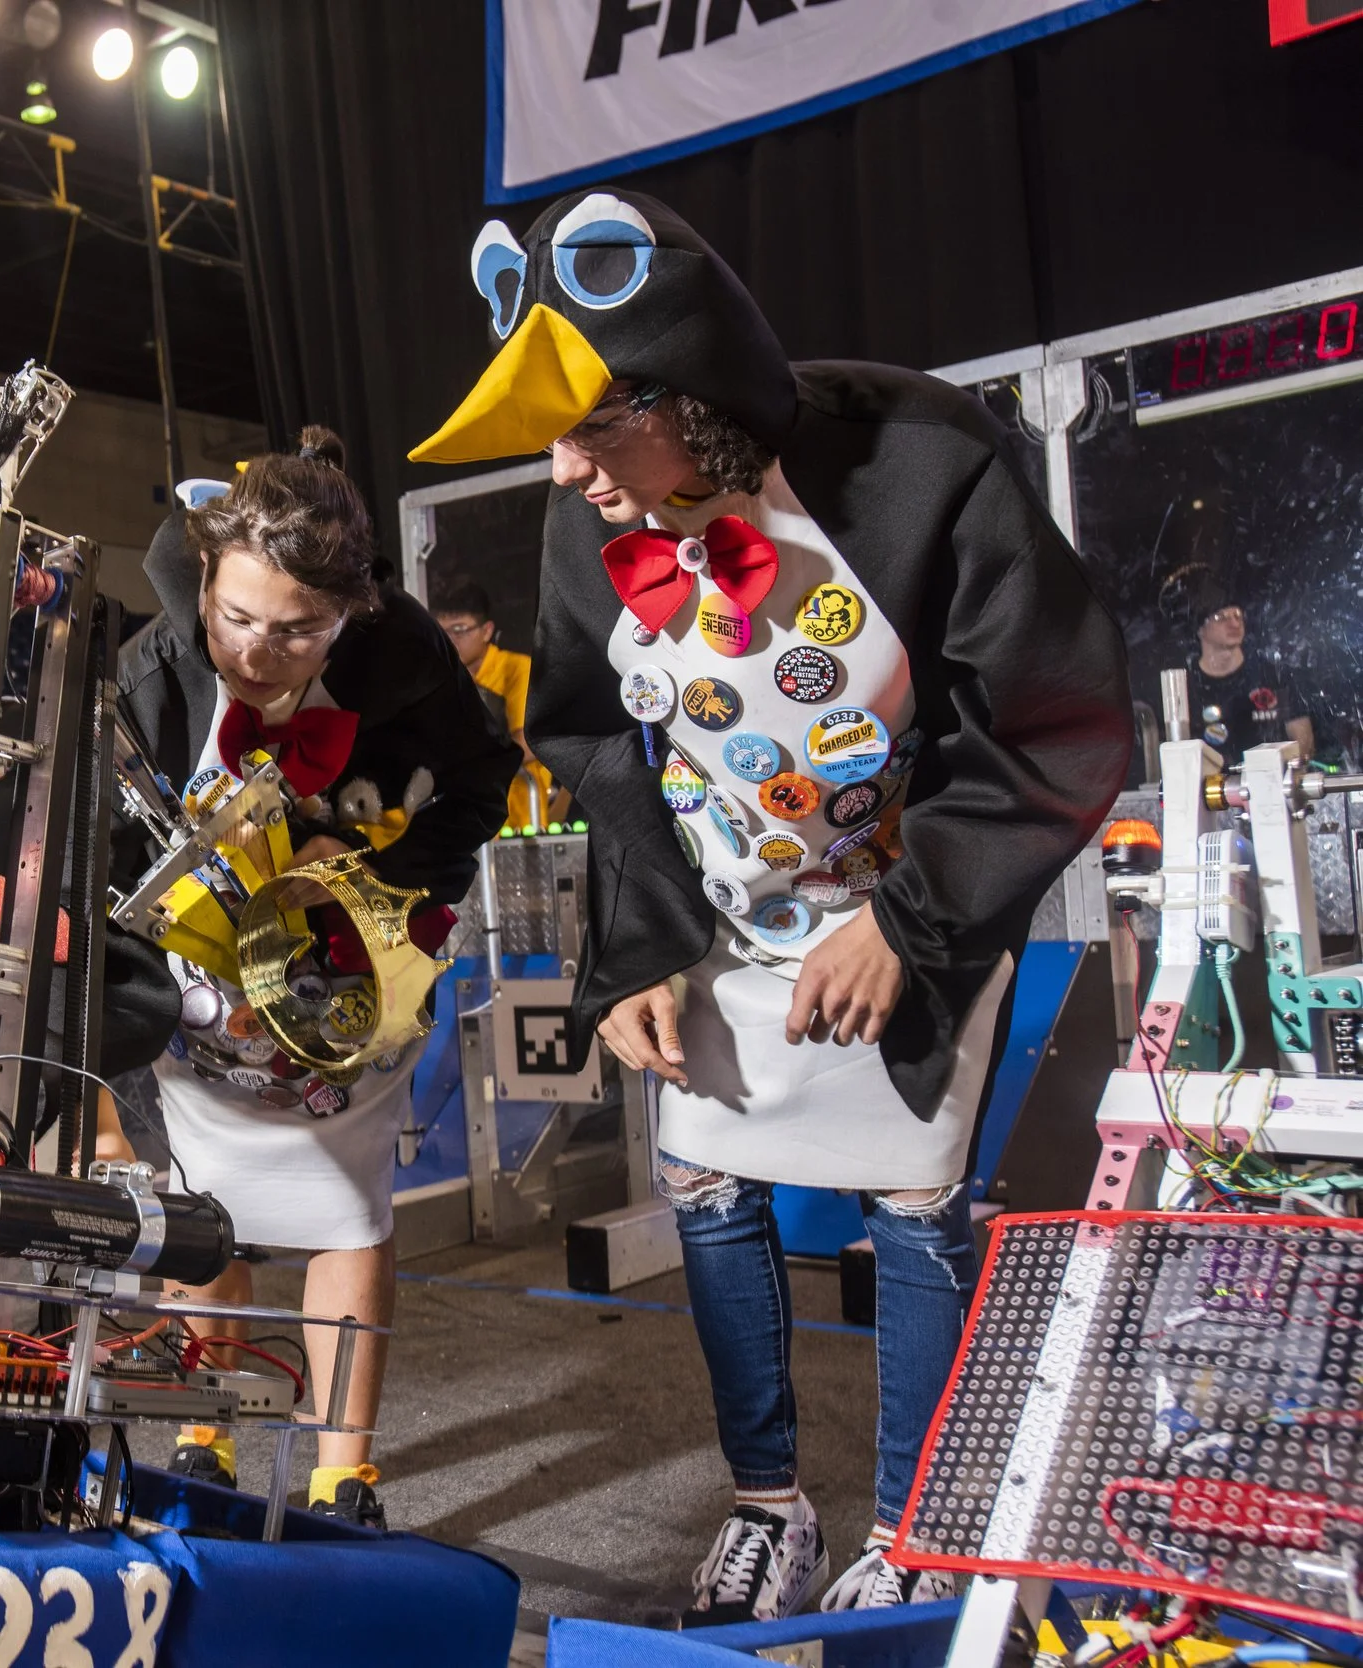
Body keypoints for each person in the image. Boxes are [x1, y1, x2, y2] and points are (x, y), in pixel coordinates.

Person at [412, 190, 1132, 1618]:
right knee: (706, 1182)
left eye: (598, 429)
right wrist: (635, 951)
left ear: (703, 396)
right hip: (722, 917)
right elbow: (594, 742)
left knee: (913, 1200)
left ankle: (917, 1531)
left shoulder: (921, 462)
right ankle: (769, 1505)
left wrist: (913, 920)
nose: (563, 475)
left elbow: (1052, 721)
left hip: (910, 898)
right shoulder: (587, 525)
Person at [111, 426, 516, 1527]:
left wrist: (380, 870)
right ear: (203, 576)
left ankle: (346, 1473)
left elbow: (484, 777)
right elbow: (101, 873)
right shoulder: (149, 671)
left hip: (347, 968)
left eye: (297, 631)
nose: (255, 653)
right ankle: (203, 1435)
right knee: (203, 1212)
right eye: (235, 617)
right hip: (201, 1001)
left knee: (346, 1212)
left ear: (352, 613)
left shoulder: (407, 657)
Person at [433, 580, 562, 830]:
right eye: (441, 631)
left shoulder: (517, 669)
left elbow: (528, 741)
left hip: (519, 822)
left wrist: (467, 769)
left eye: (459, 629)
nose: (449, 640)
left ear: (487, 630)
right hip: (462, 825)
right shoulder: (438, 678)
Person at [1168, 566, 1316, 760]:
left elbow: (1303, 743)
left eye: (1237, 615)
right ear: (1199, 629)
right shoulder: (1185, 687)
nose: (1234, 623)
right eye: (1221, 617)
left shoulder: (1274, 675)